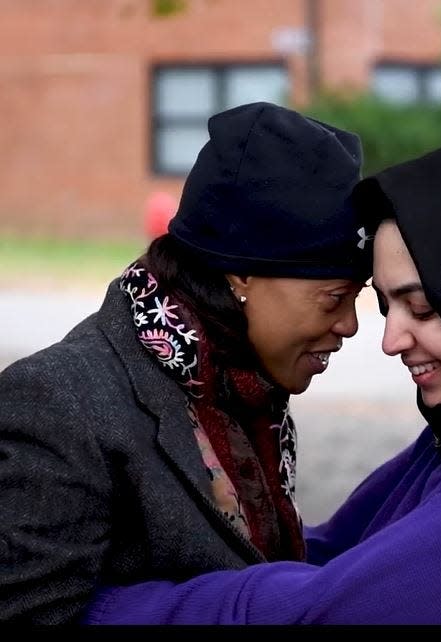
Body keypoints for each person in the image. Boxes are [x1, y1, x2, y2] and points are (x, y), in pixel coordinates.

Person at [79, 136, 441, 625]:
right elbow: (336, 550)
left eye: (425, 309)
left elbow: (324, 612)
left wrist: (106, 607)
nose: (389, 340)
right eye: (388, 306)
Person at [0, 102, 373, 623]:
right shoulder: (60, 404)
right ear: (240, 275)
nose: (351, 326)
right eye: (334, 297)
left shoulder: (241, 390)